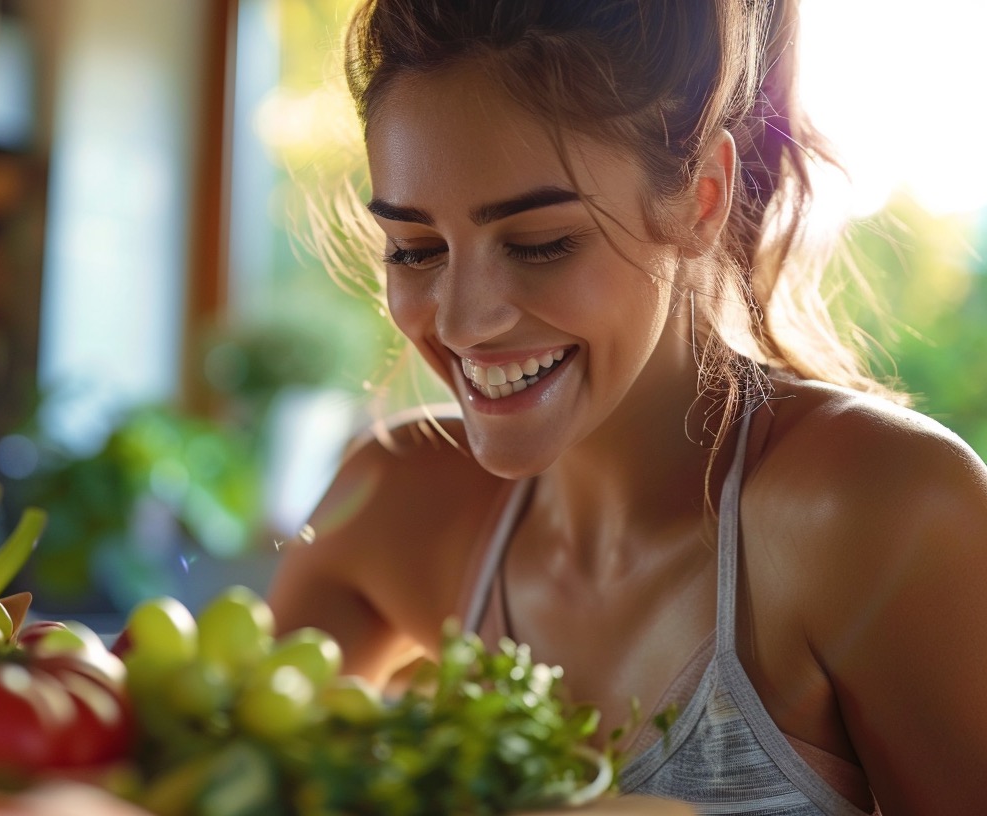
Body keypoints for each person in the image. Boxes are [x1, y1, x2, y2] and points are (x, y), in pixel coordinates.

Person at [265, 1, 987, 813]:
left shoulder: (875, 510)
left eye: (540, 242)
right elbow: (199, 766)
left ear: (701, 199)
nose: (463, 322)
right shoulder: (397, 507)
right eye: (416, 250)